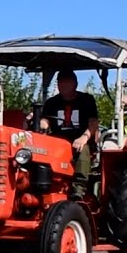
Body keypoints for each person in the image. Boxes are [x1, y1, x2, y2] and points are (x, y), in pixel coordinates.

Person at [38, 69, 99, 198]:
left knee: (82, 150)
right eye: (60, 82)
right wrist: (43, 123)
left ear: (75, 84)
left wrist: (84, 137)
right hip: (57, 140)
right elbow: (45, 119)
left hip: (78, 139)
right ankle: (42, 184)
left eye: (67, 82)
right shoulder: (51, 102)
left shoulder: (86, 100)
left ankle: (79, 188)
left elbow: (93, 122)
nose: (63, 85)